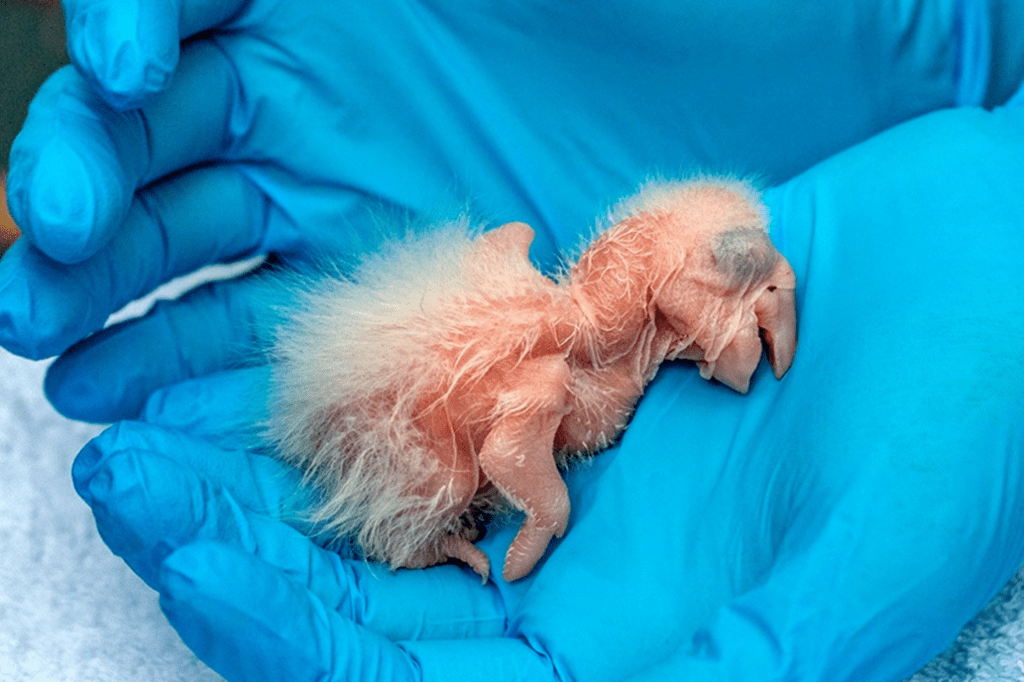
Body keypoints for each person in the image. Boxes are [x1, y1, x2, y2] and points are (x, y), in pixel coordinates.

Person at [2, 1, 1024, 679]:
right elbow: (507, 441)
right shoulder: (544, 376)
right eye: (728, 289)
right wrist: (538, 519)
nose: (743, 324)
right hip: (431, 433)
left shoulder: (570, 298)